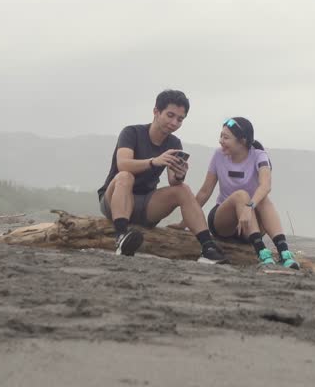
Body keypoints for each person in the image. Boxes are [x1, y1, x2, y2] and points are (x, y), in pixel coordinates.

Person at [97, 89, 228, 264]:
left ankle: (208, 247)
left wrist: (180, 175)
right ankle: (121, 237)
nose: (174, 122)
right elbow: (123, 164)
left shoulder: (174, 143)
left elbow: (173, 181)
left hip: (146, 203)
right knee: (126, 176)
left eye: (180, 119)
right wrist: (153, 161)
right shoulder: (131, 133)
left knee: (182, 189)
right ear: (156, 112)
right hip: (115, 199)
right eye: (170, 115)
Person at [182, 117, 300, 269]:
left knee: (263, 199)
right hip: (224, 223)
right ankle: (262, 254)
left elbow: (266, 185)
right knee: (241, 195)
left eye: (226, 137)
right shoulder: (218, 156)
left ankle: (284, 253)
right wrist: (184, 222)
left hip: (250, 225)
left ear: (242, 141)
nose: (220, 141)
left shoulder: (259, 155)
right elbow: (205, 191)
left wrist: (248, 208)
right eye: (221, 136)